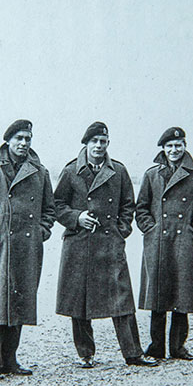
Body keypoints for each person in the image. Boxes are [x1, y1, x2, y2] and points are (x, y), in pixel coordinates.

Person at [54, 121, 157, 368]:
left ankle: (133, 353)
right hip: (79, 244)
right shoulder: (70, 171)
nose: (99, 146)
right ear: (86, 144)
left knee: (122, 299)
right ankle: (85, 354)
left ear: (108, 144)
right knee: (79, 301)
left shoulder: (118, 171)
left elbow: (128, 205)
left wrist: (121, 231)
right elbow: (57, 205)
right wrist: (77, 217)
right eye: (95, 142)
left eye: (103, 141)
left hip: (110, 243)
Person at [0, 119, 57, 385]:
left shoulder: (40, 172)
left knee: (19, 303)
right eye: (19, 139)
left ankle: (8, 362)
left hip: (27, 248)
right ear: (8, 141)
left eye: (28, 139)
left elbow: (49, 210)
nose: (24, 144)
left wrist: (41, 232)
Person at [135, 127, 193, 360]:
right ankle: (156, 346)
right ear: (163, 148)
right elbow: (141, 208)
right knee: (158, 295)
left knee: (182, 295)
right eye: (169, 146)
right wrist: (150, 228)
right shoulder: (152, 175)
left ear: (185, 147)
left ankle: (178, 347)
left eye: (178, 145)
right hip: (158, 241)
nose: (174, 150)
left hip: (184, 242)